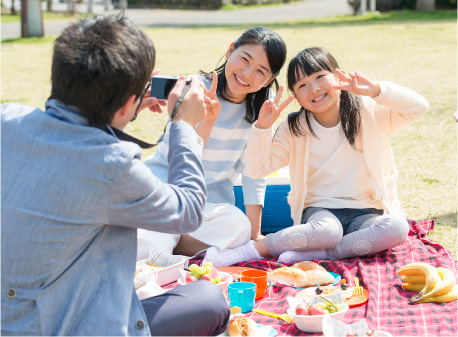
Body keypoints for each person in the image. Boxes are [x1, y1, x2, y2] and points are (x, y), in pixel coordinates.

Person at [1, 15, 229, 336]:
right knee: (209, 298)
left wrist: (121, 110)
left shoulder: (7, 119)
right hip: (75, 325)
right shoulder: (111, 164)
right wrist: (184, 126)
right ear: (126, 103)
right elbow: (188, 211)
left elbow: (67, 129)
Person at [203, 47, 429, 267]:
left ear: (338, 75)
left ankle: (324, 254)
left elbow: (418, 107)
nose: (313, 89)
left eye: (320, 77)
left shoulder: (369, 111)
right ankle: (247, 252)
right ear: (296, 97)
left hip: (367, 213)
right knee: (328, 232)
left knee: (397, 227)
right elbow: (256, 169)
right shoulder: (294, 127)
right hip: (320, 214)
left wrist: (376, 90)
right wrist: (262, 127)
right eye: (302, 85)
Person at [137, 26, 293, 260]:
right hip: (165, 191)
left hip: (207, 208)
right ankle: (168, 247)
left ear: (269, 80)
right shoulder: (194, 89)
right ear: (230, 51)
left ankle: (167, 245)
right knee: (144, 240)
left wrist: (255, 233)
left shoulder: (264, 107)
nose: (248, 74)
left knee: (240, 229)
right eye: (244, 59)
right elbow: (183, 156)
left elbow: (254, 171)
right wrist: (206, 119)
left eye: (261, 71)